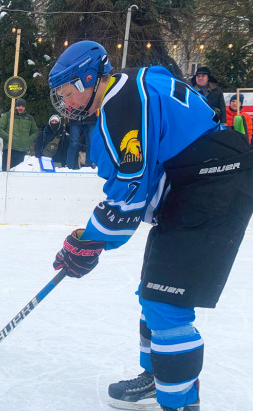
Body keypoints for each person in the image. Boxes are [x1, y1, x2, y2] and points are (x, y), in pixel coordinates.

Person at [48, 40, 253, 411]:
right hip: (203, 178)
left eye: (68, 91)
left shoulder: (119, 107)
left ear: (89, 78)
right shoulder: (132, 83)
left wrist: (88, 240)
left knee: (166, 303)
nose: (67, 102)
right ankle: (158, 379)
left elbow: (128, 200)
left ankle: (179, 403)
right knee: (153, 292)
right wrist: (94, 239)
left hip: (212, 184)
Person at [0, 98, 38, 168]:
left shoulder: (29, 118)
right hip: (9, 149)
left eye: (23, 106)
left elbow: (35, 131)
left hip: (22, 151)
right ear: (15, 106)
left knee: (18, 174)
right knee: (7, 173)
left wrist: (28, 140)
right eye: (19, 106)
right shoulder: (7, 116)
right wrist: (9, 138)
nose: (21, 108)